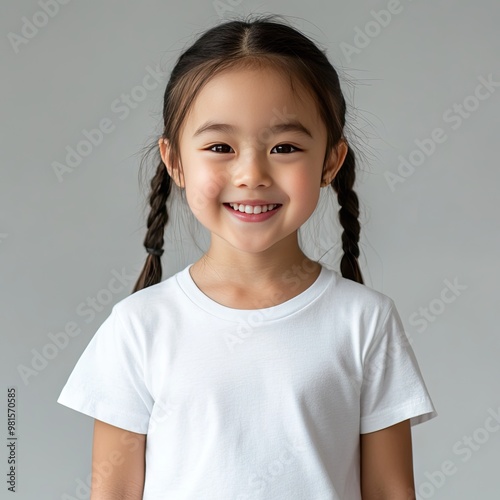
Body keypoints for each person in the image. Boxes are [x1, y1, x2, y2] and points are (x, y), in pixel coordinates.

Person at [57, 13, 437, 499]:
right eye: (220, 146)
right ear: (175, 161)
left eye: (284, 147)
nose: (252, 173)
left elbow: (390, 492)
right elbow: (113, 492)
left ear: (330, 161)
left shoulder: (365, 322)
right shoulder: (138, 326)